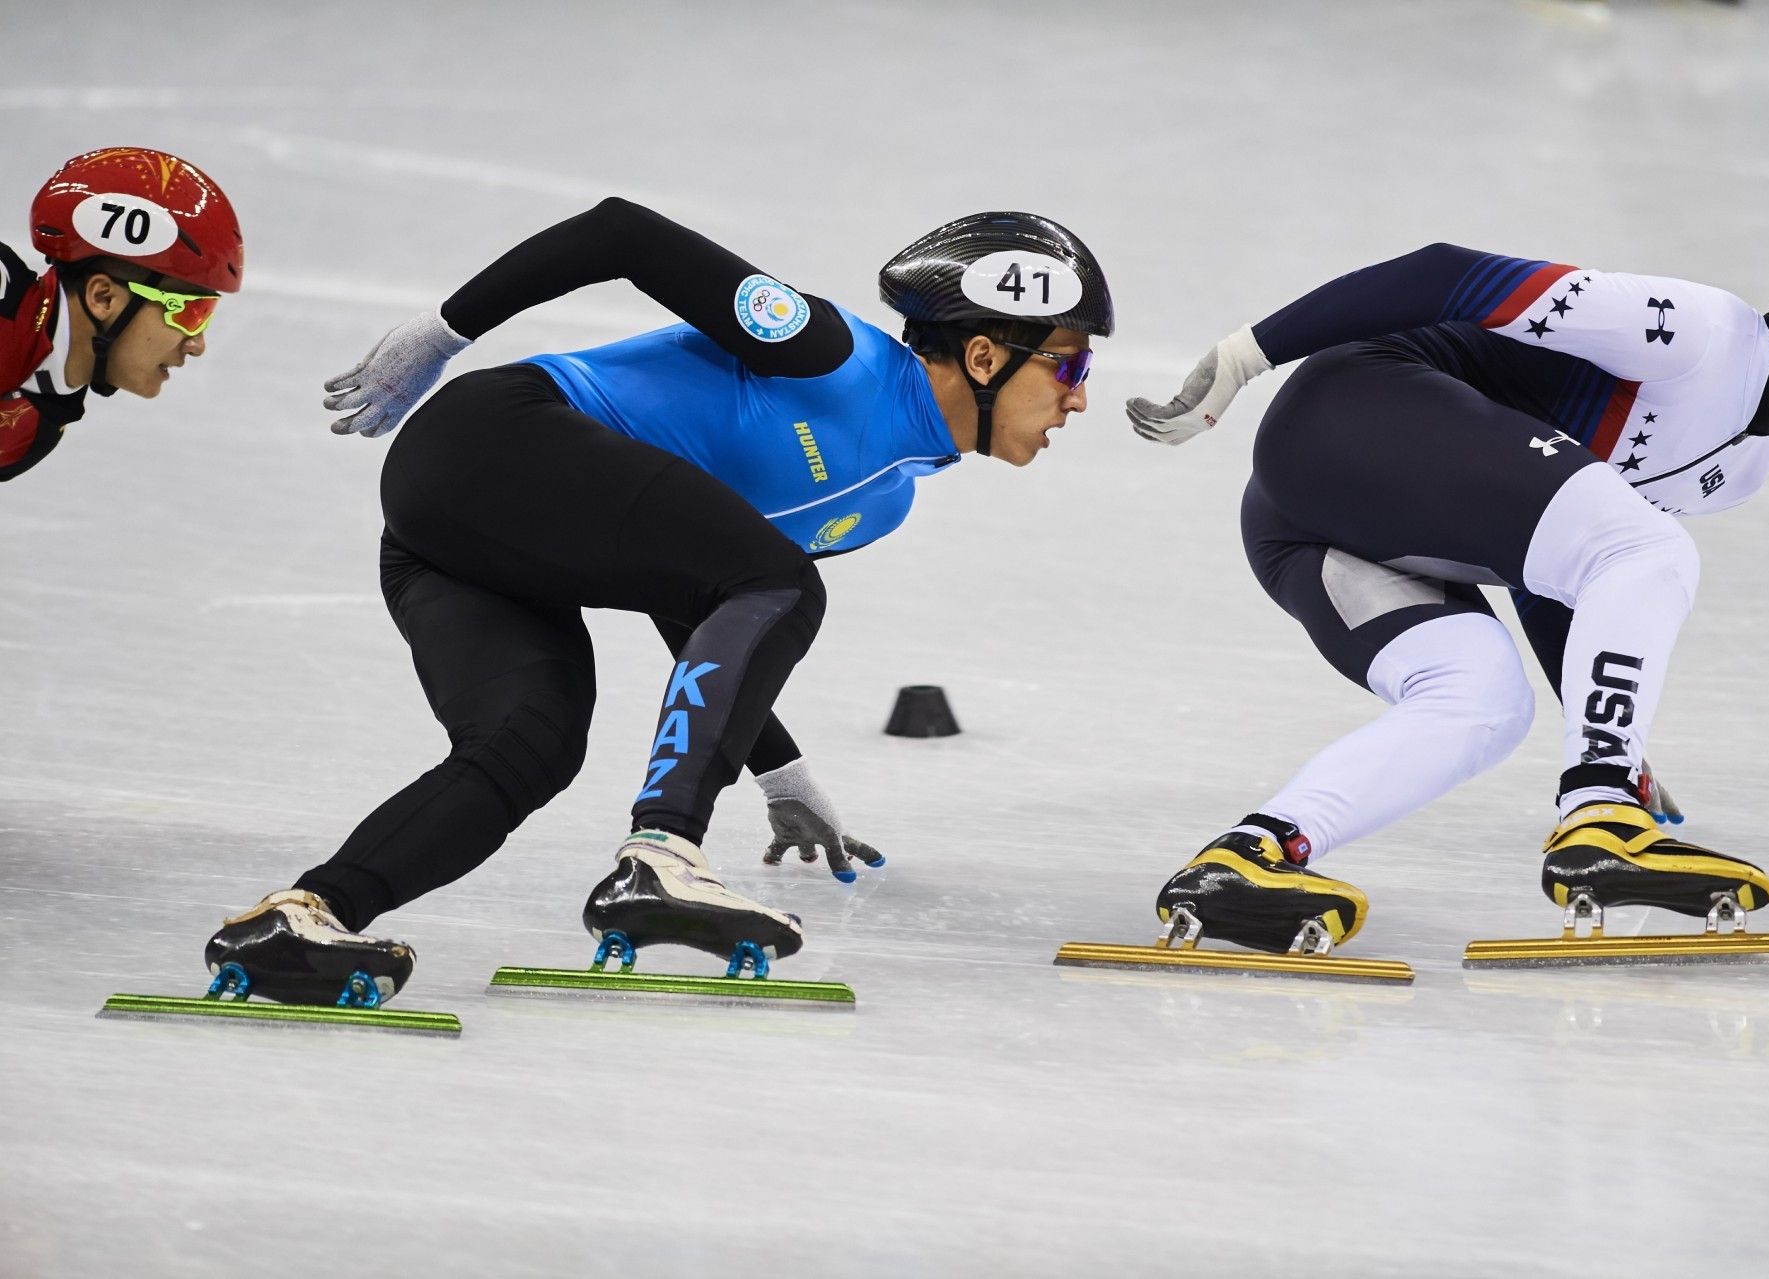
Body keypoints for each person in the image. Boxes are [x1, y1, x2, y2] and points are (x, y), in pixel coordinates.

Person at [205, 202, 1113, 1006]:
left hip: (466, 538)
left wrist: (780, 772)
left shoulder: (883, 500)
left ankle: (303, 913)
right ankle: (664, 856)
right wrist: (445, 331)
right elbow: (621, 232)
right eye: (1068, 369)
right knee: (783, 580)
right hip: (491, 439)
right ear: (987, 354)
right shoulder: (829, 354)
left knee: (530, 749)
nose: (1078, 401)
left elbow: (701, 595)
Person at [1124, 179, 1769, 954]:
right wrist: (1243, 356)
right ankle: (1601, 815)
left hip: (1303, 528)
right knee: (1649, 545)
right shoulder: (1700, 334)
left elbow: (1556, 564)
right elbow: (1446, 273)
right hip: (1349, 414)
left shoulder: (1741, 469)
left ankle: (1248, 857)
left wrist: (1608, 730)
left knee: (1483, 702)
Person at [1, 147, 242, 481]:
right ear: (103, 297)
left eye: (205, 314)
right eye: (188, 311)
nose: (197, 344)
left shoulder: (33, 430)